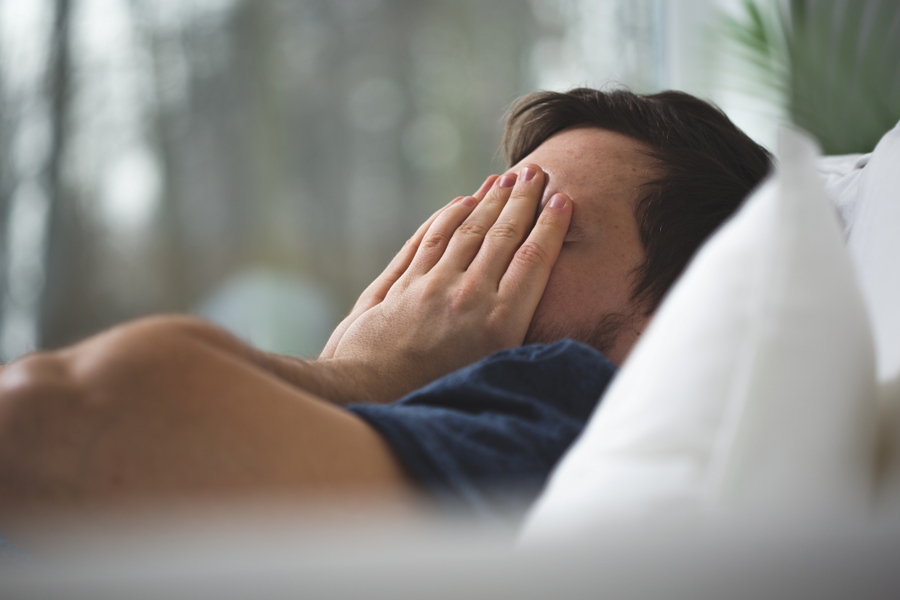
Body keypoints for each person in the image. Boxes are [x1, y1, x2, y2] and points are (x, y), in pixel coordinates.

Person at [0, 88, 771, 520]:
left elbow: (52, 419)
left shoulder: (563, 400)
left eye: (531, 229)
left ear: (676, 312)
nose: (457, 254)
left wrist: (360, 371)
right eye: (479, 219)